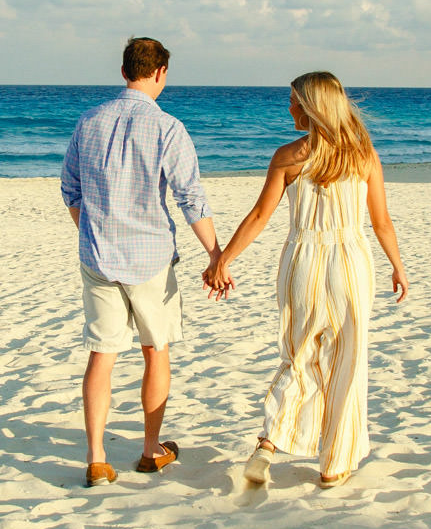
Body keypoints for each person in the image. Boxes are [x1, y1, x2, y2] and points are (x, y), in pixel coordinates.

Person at [205, 70, 408, 489]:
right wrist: (397, 266)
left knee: (298, 355)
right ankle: (334, 465)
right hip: (351, 261)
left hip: (303, 259)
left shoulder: (289, 156)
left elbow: (260, 217)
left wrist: (224, 259)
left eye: (294, 101)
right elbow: (381, 221)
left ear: (313, 107)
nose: (290, 107)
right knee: (347, 361)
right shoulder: (363, 155)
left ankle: (268, 442)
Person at [61, 36, 220, 488]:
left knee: (102, 354)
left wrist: (92, 232)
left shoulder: (88, 122)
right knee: (156, 350)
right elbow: (191, 198)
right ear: (160, 73)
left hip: (98, 256)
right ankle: (150, 451)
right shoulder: (168, 127)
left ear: (125, 71)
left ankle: (96, 458)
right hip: (150, 258)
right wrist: (215, 253)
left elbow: (70, 190)